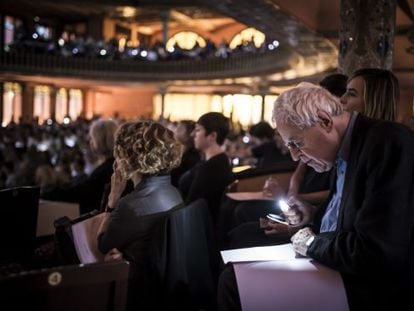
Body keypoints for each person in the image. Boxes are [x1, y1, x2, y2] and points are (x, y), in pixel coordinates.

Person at [218, 82, 414, 310]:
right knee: (240, 244)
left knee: (233, 283)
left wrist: (311, 242)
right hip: (342, 265)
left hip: (373, 287)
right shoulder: (344, 150)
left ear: (325, 121)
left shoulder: (388, 143)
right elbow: (347, 215)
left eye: (296, 143)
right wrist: (311, 215)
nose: (294, 156)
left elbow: (377, 254)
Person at [96, 120, 183, 310]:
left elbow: (103, 244)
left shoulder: (131, 205)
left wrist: (113, 200)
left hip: (138, 291)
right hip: (161, 287)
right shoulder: (173, 191)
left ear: (128, 156)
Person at [41, 119, 118, 214]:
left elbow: (79, 192)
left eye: (92, 138)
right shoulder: (116, 164)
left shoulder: (106, 169)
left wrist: (46, 193)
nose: (90, 142)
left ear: (100, 141)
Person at [178, 112, 233, 224]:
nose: (193, 134)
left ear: (212, 136)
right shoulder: (217, 161)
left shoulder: (211, 168)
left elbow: (191, 207)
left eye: (198, 130)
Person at [170, 120, 201, 187]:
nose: (176, 130)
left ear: (189, 133)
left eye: (180, 129)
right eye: (177, 127)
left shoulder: (193, 157)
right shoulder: (176, 150)